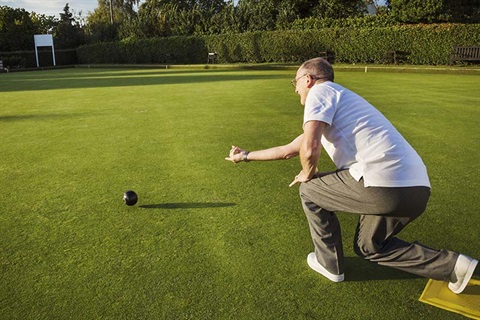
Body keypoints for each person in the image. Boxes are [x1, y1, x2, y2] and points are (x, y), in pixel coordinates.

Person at [225, 57, 477, 294]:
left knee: (309, 190)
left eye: (296, 82)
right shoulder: (338, 104)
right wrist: (245, 155)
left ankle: (329, 264)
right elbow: (290, 150)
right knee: (370, 246)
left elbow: (310, 149)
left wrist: (307, 174)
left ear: (309, 79)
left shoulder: (320, 92)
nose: (295, 90)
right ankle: (454, 266)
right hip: (417, 189)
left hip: (382, 184)